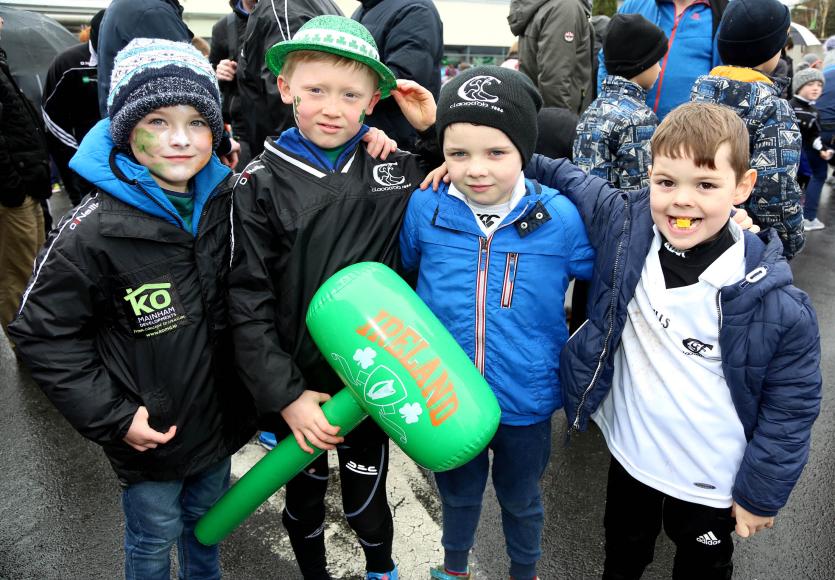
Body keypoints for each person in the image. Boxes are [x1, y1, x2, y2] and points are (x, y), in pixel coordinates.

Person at [526, 101, 822, 580]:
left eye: (706, 185)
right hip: (631, 457)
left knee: (703, 568)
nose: (682, 200)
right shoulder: (628, 227)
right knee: (622, 558)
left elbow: (791, 409)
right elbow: (567, 175)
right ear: (649, 177)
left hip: (711, 479)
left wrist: (761, 495)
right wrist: (470, 145)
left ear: (742, 187)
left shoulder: (776, 304)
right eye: (667, 182)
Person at [8, 38, 257, 579]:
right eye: (157, 121)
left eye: (197, 122)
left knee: (209, 522)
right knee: (153, 535)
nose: (179, 139)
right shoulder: (92, 231)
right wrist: (116, 417)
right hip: (151, 437)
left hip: (219, 421)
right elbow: (43, 333)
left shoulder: (231, 201)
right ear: (125, 130)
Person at [227, 15, 441, 580]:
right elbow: (246, 302)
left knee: (367, 497)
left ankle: (381, 568)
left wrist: (430, 128)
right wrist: (285, 394)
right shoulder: (258, 183)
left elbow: (470, 164)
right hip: (299, 387)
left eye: (350, 95)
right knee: (304, 500)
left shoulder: (392, 166)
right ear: (285, 87)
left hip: (372, 376)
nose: (332, 108)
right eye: (316, 89)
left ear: (373, 101)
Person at [400, 65, 594, 580]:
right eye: (458, 153)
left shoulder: (560, 217)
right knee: (457, 494)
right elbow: (405, 272)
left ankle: (524, 572)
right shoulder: (425, 206)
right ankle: (454, 568)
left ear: (524, 151)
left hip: (526, 396)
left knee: (521, 496)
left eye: (496, 152)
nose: (476, 169)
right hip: (448, 393)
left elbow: (606, 272)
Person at [691, 0, 804, 259]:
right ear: (772, 49)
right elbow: (775, 193)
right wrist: (789, 242)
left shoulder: (698, 96)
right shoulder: (773, 109)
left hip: (699, 231)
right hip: (748, 244)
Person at [236, 0, 343, 158]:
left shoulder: (281, 8)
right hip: (317, 150)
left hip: (296, 154)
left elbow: (291, 94)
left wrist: (294, 158)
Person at [574, 13, 668, 191]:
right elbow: (640, 192)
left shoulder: (593, 109)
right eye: (656, 61)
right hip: (618, 208)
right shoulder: (639, 119)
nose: (660, 68)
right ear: (640, 63)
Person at [0, 18, 51, 340]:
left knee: (34, 268)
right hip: (13, 194)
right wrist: (12, 189)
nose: (2, 21)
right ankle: (22, 346)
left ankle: (35, 338)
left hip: (27, 186)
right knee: (15, 275)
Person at [599, 0, 729, 121]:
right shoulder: (636, 4)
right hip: (625, 126)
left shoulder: (722, 12)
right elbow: (606, 59)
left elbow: (724, 80)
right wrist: (607, 110)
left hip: (688, 132)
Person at [352, 0, 444, 152]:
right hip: (366, 135)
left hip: (397, 143)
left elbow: (403, 78)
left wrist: (344, 88)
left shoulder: (415, 9)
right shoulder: (363, 10)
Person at [41, 9, 104, 206]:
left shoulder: (129, 57)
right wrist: (78, 156)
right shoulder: (68, 63)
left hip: (126, 162)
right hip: (82, 162)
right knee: (88, 212)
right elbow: (51, 116)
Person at [508, 0, 593, 114]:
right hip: (560, 116)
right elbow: (555, 79)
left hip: (539, 112)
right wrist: (562, 121)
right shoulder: (565, 6)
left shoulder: (550, 6)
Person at [210, 0, 258, 169]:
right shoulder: (223, 27)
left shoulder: (283, 18)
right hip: (241, 130)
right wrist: (218, 71)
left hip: (281, 124)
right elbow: (210, 75)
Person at [790, 65, 834, 231]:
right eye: (810, 84)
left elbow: (814, 135)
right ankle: (807, 217)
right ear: (799, 86)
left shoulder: (814, 111)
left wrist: (823, 149)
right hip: (791, 157)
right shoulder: (788, 106)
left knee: (808, 180)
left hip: (805, 156)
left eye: (819, 85)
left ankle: (802, 216)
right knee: (814, 177)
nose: (816, 88)